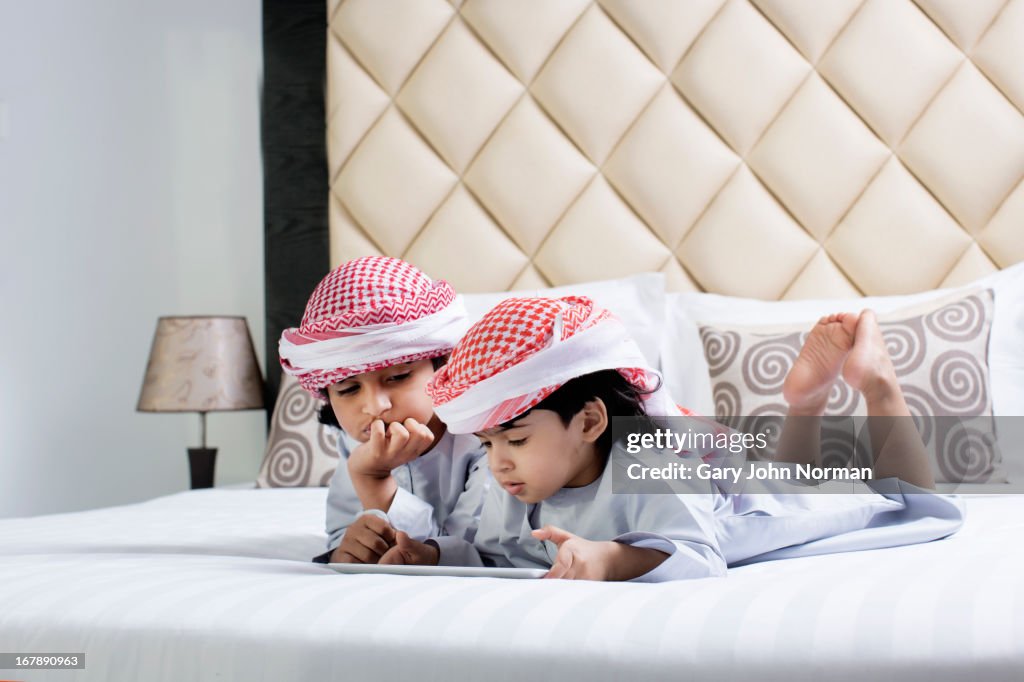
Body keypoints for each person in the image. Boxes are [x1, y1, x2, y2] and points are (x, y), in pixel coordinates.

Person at [375, 296, 963, 581]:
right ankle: (807, 402)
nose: (498, 462)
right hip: (734, 478)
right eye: (486, 444)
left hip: (736, 499)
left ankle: (877, 383)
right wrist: (431, 553)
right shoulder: (506, 481)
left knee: (904, 499)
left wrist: (610, 558)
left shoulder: (649, 463)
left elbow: (700, 555)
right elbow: (487, 547)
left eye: (517, 440)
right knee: (790, 478)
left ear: (588, 422)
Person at [278, 257, 489, 564]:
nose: (376, 407)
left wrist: (373, 482)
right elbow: (343, 532)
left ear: (441, 367)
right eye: (349, 389)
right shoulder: (354, 443)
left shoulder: (487, 437)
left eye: (398, 377)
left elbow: (477, 552)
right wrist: (349, 547)